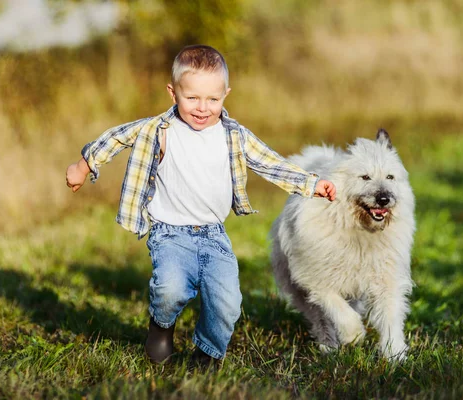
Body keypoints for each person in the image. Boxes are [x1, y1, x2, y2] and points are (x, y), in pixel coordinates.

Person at [66, 44, 336, 366]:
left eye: (213, 99)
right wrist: (83, 166)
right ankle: (161, 328)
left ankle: (206, 355)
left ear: (226, 94)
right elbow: (116, 137)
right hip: (170, 234)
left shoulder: (233, 135)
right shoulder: (159, 130)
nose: (202, 108)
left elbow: (271, 163)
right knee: (170, 288)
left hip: (214, 236)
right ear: (173, 92)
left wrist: (311, 184)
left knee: (227, 302)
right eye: (192, 97)